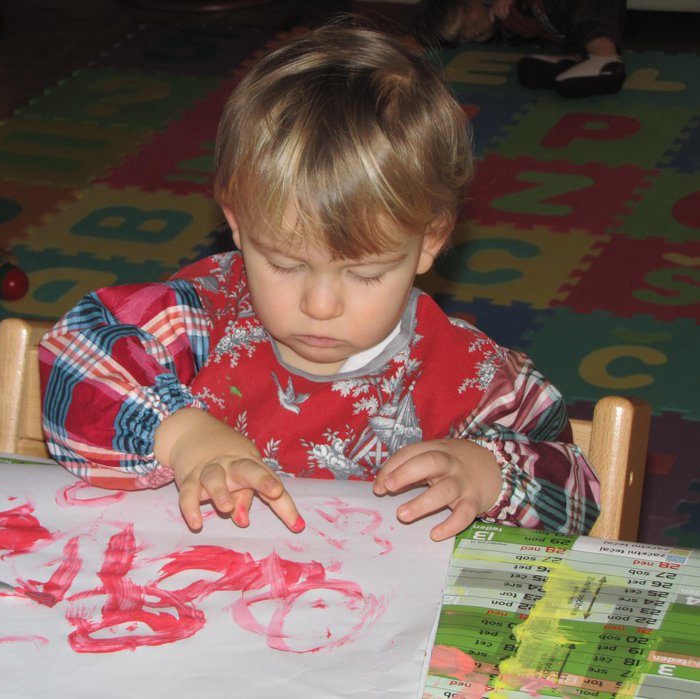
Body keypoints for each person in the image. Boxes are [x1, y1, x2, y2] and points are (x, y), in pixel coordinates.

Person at [39, 21, 600, 542]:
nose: (320, 304)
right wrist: (184, 437)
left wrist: (487, 473)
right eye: (284, 264)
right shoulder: (203, 318)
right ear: (237, 222)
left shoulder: (470, 379)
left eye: (365, 273)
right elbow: (76, 356)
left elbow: (580, 494)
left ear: (430, 239)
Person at [414, 0, 627, 98]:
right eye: (463, 35)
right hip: (568, 30)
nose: (472, 32)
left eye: (468, 19)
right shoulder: (498, 22)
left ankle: (604, 57)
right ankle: (573, 62)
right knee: (528, 68)